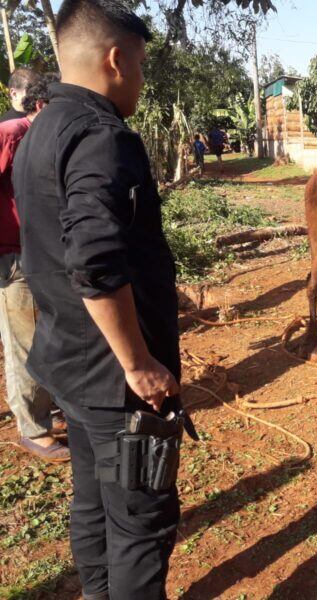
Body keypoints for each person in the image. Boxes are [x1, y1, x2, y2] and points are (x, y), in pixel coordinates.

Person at [13, 0, 195, 597]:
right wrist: (139, 364)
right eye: (140, 64)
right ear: (117, 60)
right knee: (141, 519)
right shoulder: (101, 136)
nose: (140, 78)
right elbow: (93, 261)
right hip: (118, 388)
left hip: (69, 365)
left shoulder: (41, 127)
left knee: (94, 497)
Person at [0, 73, 69, 462]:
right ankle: (33, 428)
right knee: (24, 343)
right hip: (12, 258)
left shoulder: (44, 138)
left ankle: (51, 408)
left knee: (48, 336)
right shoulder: (11, 133)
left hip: (41, 253)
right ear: (41, 106)